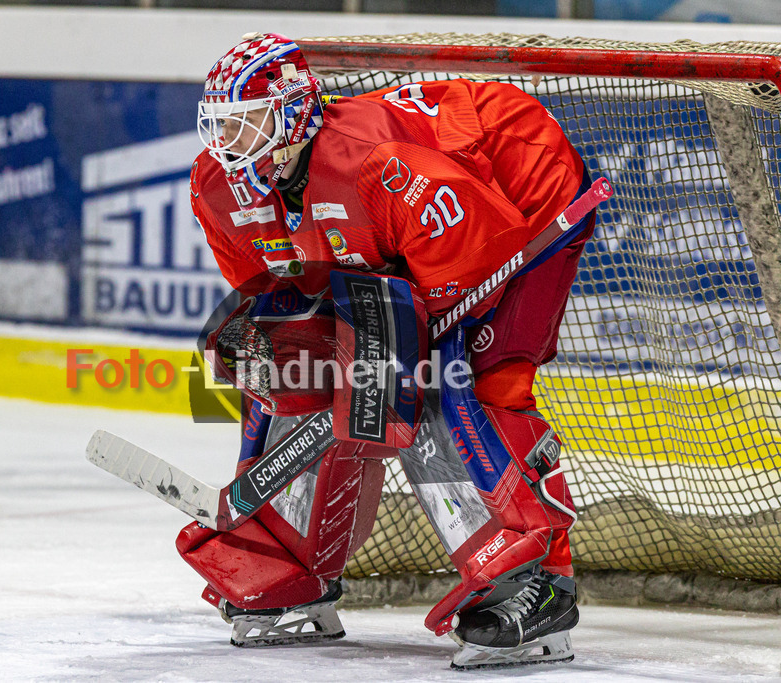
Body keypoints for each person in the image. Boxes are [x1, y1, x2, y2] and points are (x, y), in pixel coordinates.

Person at [180, 31, 595, 669]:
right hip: (414, 234)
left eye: (247, 125)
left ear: (292, 114)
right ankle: (293, 568)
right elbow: (275, 295)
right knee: (294, 368)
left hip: (520, 187)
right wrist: (336, 361)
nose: (228, 147)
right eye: (220, 129)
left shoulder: (380, 166)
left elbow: (473, 256)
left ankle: (537, 581)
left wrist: (388, 359)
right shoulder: (217, 185)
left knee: (467, 381)